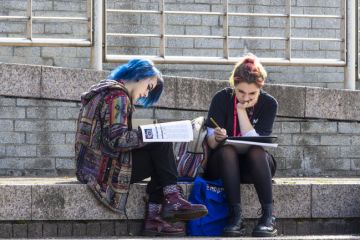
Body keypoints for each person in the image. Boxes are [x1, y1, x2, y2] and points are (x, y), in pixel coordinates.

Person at [75, 58, 208, 237]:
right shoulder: (118, 96)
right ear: (139, 76)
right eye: (149, 87)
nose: (146, 94)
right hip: (103, 172)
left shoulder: (104, 91)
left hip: (90, 167)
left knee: (160, 146)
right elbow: (117, 140)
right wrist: (149, 134)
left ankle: (159, 212)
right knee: (162, 142)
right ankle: (168, 203)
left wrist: (147, 134)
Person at [204, 54, 278, 237]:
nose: (245, 97)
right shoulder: (221, 98)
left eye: (252, 93)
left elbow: (257, 142)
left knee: (255, 151)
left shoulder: (269, 103)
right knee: (227, 150)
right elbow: (211, 143)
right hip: (223, 164)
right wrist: (218, 137)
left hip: (256, 166)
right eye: (240, 92)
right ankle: (235, 217)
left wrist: (241, 110)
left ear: (260, 88)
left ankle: (269, 217)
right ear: (234, 86)